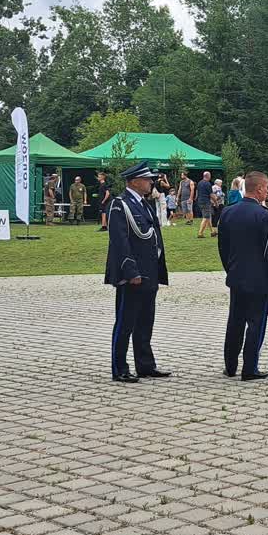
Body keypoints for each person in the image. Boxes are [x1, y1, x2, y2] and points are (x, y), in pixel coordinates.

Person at [104, 161, 170, 383]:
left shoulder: (143, 204)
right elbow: (120, 242)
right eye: (147, 179)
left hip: (149, 272)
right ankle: (119, 367)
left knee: (145, 322)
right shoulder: (119, 205)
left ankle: (145, 365)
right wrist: (130, 271)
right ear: (134, 181)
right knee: (125, 323)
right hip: (132, 275)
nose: (151, 182)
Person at [219, 171, 268, 381]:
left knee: (235, 322)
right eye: (266, 188)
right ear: (259, 189)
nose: (267, 192)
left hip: (237, 277)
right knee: (256, 324)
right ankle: (250, 367)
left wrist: (230, 269)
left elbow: (223, 248)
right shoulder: (265, 215)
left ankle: (230, 366)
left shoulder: (228, 213)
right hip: (259, 280)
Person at [195, 171, 214, 238]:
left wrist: (196, 199)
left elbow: (197, 192)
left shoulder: (199, 183)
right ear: (208, 176)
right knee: (206, 217)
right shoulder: (208, 184)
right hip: (206, 202)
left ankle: (212, 232)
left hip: (200, 201)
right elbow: (211, 194)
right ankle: (200, 233)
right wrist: (215, 202)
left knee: (208, 217)